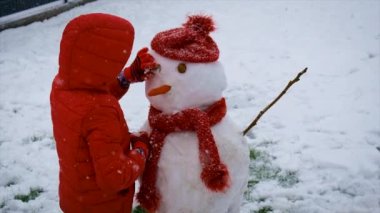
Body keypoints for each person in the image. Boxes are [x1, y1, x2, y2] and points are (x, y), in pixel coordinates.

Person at [50, 13, 157, 213]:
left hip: (76, 196)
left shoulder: (62, 86)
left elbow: (91, 93)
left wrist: (126, 77)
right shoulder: (100, 111)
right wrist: (141, 149)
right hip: (105, 205)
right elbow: (115, 177)